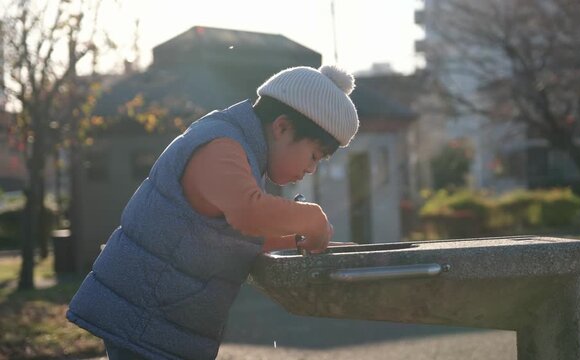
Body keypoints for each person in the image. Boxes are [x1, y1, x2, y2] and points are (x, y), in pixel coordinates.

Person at [66, 65, 360, 360]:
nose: (311, 168)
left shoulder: (244, 154)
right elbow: (248, 212)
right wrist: (311, 219)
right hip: (145, 320)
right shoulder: (221, 146)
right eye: (314, 156)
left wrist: (305, 246)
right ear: (282, 127)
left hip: (160, 322)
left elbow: (235, 240)